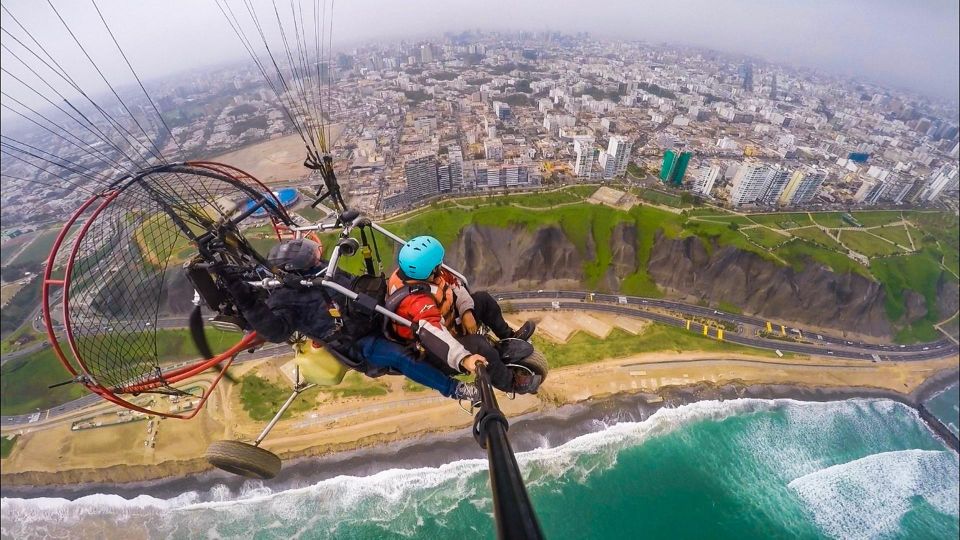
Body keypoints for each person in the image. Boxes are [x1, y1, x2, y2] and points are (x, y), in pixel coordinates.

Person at [219, 238, 483, 402]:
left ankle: (458, 337)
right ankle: (455, 390)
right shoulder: (286, 302)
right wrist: (243, 297)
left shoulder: (319, 270)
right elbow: (275, 331)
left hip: (371, 312)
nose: (317, 260)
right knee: (402, 357)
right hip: (357, 340)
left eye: (314, 256)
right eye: (312, 258)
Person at [385, 235, 541, 394]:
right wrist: (464, 359)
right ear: (429, 270)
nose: (442, 266)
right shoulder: (415, 302)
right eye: (438, 265)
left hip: (449, 323)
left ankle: (508, 336)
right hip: (435, 350)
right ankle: (511, 383)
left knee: (483, 300)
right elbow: (433, 334)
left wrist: (467, 312)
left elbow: (455, 285)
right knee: (480, 345)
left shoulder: (425, 274)